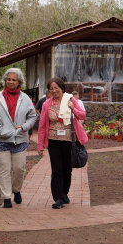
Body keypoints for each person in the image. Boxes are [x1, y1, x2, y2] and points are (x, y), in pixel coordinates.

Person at [0, 68, 37, 208]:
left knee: (19, 169)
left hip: (20, 139)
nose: (10, 81)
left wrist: (24, 127)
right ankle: (6, 197)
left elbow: (32, 116)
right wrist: (0, 129)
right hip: (2, 140)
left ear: (19, 82)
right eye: (8, 79)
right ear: (5, 80)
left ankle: (16, 190)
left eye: (13, 80)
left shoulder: (25, 98)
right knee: (4, 169)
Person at [38, 77, 88, 209]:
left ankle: (64, 194)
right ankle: (58, 197)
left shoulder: (71, 100)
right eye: (51, 89)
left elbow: (82, 115)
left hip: (69, 141)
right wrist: (40, 145)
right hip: (53, 141)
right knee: (56, 169)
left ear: (62, 88)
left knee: (67, 169)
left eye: (56, 88)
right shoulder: (46, 104)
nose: (54, 91)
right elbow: (42, 126)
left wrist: (73, 108)